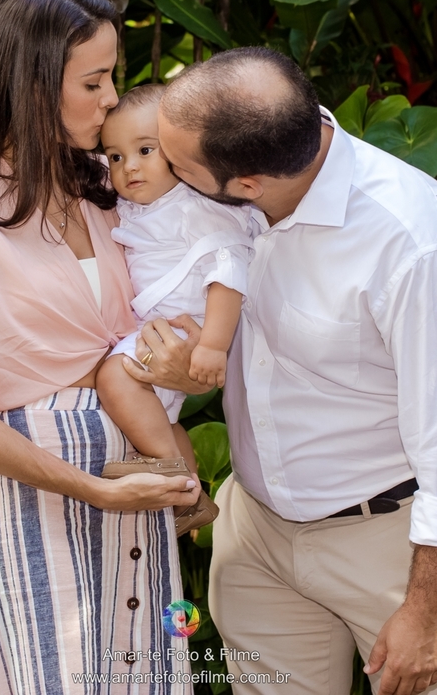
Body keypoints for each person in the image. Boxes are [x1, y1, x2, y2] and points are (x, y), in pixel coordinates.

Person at [122, 47, 437, 695]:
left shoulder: (416, 243)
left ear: (247, 183)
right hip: (255, 534)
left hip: (387, 542)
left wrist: (427, 613)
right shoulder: (232, 189)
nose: (159, 171)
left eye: (178, 165)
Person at [0, 0, 197, 694]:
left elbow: (178, 312)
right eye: (94, 82)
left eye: (112, 77)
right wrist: (89, 488)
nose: (113, 99)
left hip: (139, 504)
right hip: (38, 511)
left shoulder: (114, 189)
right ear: (32, 85)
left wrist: (180, 371)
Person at [95, 84, 253, 535]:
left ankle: (175, 483)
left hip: (191, 328)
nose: (129, 167)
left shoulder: (194, 208)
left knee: (114, 377)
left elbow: (228, 272)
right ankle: (192, 496)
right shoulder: (136, 204)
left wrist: (213, 348)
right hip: (161, 328)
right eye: (115, 157)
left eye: (145, 150)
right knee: (165, 420)